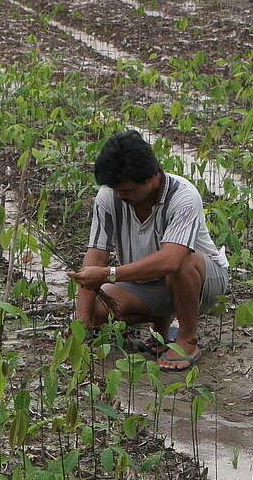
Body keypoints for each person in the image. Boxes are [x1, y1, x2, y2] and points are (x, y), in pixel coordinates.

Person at [67, 130, 229, 371]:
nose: (121, 196)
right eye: (117, 189)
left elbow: (170, 261)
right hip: (147, 282)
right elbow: (95, 256)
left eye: (128, 190)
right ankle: (161, 324)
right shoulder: (110, 196)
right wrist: (82, 320)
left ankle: (187, 339)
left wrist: (107, 275)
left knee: (181, 261)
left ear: (152, 177)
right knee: (99, 310)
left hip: (204, 281)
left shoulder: (183, 196)